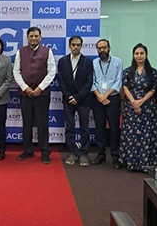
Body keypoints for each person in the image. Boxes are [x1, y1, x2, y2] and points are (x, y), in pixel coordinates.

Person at [13, 27, 56, 164]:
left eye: (36, 36)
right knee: (27, 123)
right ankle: (28, 150)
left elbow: (52, 71)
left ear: (40, 37)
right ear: (27, 37)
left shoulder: (47, 51)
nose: (34, 38)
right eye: (31, 36)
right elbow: (16, 71)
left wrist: (40, 88)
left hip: (42, 94)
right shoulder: (21, 51)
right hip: (25, 94)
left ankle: (45, 152)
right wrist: (25, 88)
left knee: (42, 124)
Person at [119, 43, 157, 171]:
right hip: (130, 107)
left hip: (148, 107)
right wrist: (134, 102)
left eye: (141, 53)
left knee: (147, 134)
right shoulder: (128, 71)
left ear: (146, 55)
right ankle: (131, 162)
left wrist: (141, 101)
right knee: (131, 134)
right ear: (133, 55)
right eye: (136, 53)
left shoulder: (152, 72)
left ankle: (147, 163)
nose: (139, 56)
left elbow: (153, 89)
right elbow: (125, 87)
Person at [58, 35, 94, 166]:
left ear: (81, 46)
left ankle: (83, 153)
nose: (76, 47)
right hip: (68, 100)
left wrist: (78, 97)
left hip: (83, 100)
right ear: (69, 46)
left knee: (85, 128)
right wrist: (69, 96)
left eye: (78, 45)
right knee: (70, 127)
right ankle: (72, 152)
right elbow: (61, 80)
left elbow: (89, 82)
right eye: (73, 45)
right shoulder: (62, 61)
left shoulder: (87, 61)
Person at [91, 38, 123, 167]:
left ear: (109, 48)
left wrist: (105, 95)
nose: (102, 50)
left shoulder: (118, 62)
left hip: (112, 98)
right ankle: (100, 154)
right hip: (97, 98)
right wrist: (100, 96)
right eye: (99, 48)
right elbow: (92, 81)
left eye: (104, 47)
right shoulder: (93, 63)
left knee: (114, 128)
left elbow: (118, 81)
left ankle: (115, 156)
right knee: (99, 128)